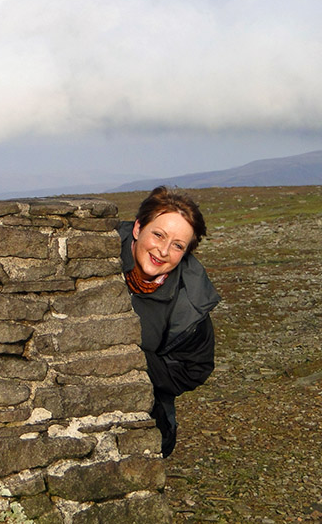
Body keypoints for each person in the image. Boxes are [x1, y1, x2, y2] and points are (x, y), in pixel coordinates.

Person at [119, 186, 220, 458]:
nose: (163, 251)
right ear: (139, 228)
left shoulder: (190, 300)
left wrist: (132, 359)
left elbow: (194, 368)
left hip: (145, 422)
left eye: (177, 245)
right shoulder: (91, 259)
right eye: (158, 235)